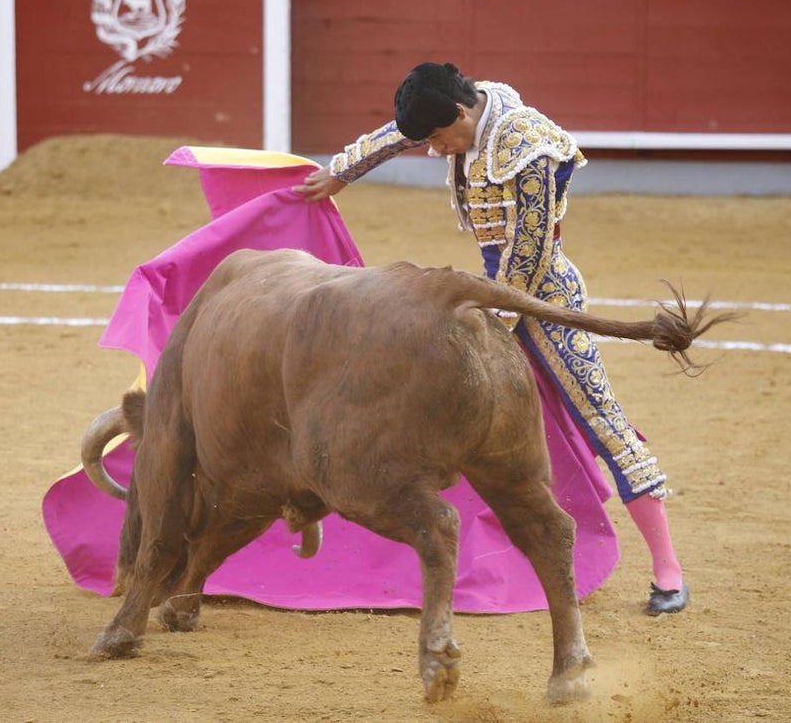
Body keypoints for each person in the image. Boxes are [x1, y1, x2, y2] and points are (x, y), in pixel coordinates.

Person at [293, 61, 689, 615]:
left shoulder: (531, 147)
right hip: (485, 292)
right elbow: (398, 133)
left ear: (461, 113)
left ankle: (669, 570)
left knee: (600, 417)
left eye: (438, 137)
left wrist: (490, 329)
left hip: (545, 300)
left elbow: (530, 251)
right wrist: (340, 172)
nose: (434, 150)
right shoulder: (462, 106)